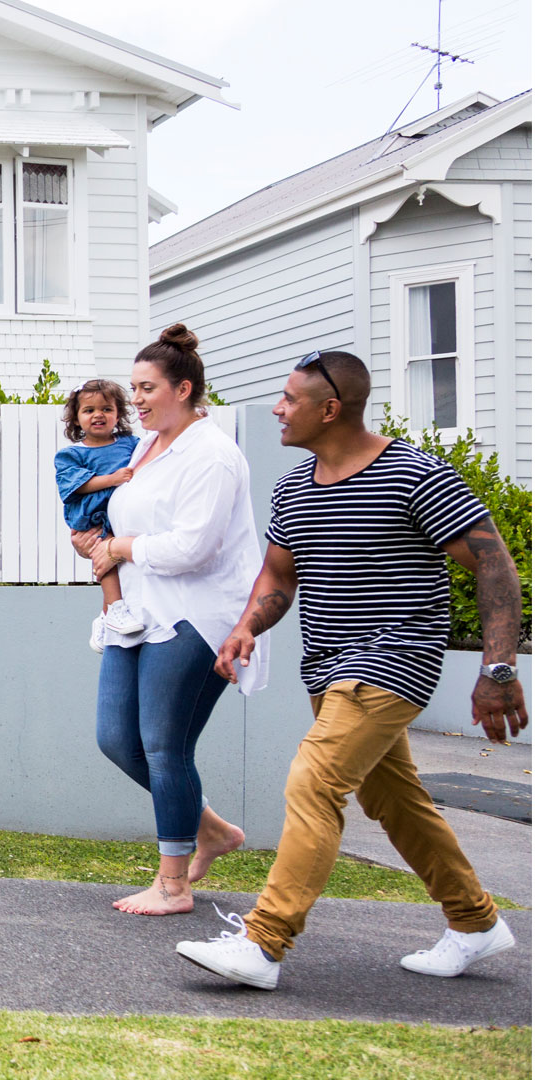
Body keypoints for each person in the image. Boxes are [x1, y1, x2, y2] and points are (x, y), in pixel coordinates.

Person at [176, 350, 524, 990]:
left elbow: (494, 565)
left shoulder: (417, 476)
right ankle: (475, 922)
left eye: (288, 398)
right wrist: (248, 626)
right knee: (394, 800)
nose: (277, 408)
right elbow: (280, 576)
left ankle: (264, 941)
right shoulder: (294, 485)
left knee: (315, 781)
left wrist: (498, 668)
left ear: (330, 409)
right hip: (329, 667)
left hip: (396, 659)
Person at [75, 324, 263, 916]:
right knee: (116, 739)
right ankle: (211, 829)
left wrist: (123, 546)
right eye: (134, 388)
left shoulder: (212, 456)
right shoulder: (144, 448)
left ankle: (174, 885)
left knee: (163, 745)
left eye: (147, 387)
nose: (137, 400)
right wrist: (99, 545)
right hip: (138, 614)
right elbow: (127, 519)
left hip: (195, 619)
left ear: (184, 388)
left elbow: (193, 547)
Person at [55, 379, 147, 653]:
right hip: (93, 514)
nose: (98, 415)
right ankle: (116, 608)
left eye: (107, 409)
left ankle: (105, 619)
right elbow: (76, 485)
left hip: (125, 516)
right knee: (105, 554)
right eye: (89, 410)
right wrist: (113, 479)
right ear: (76, 418)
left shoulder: (131, 444)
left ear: (118, 414)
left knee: (122, 562)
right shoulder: (71, 454)